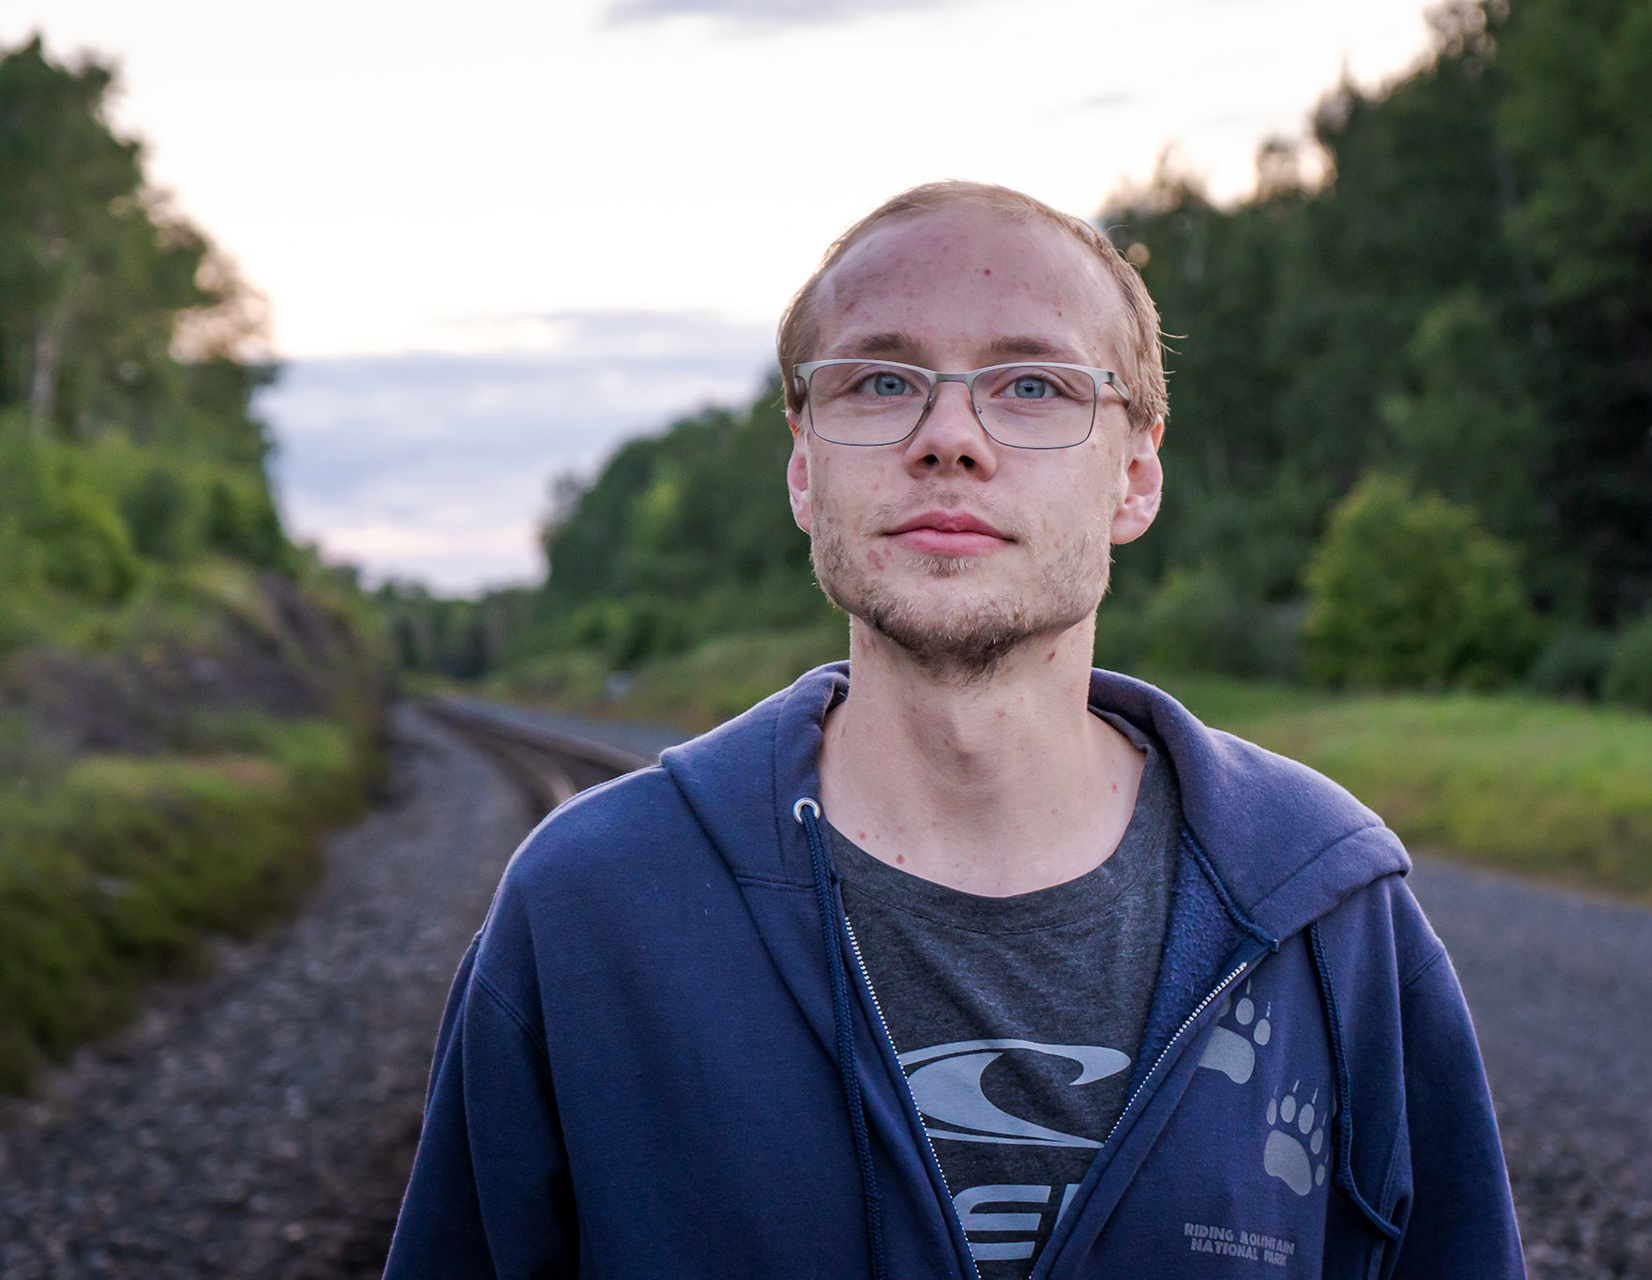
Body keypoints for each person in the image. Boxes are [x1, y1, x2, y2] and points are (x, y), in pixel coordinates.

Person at [385, 181, 1525, 1279]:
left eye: (1031, 386)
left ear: (1135, 476)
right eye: (881, 382)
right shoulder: (587, 910)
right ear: (803, 467)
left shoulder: (1327, 912)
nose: (949, 438)